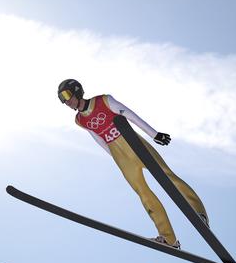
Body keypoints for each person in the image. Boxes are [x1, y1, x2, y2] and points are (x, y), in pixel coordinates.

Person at [58, 79, 209, 249]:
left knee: (167, 176)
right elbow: (99, 139)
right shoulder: (79, 120)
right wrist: (115, 157)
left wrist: (154, 134)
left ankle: (199, 213)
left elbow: (129, 115)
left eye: (66, 96)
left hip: (134, 144)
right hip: (120, 155)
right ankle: (169, 239)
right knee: (142, 192)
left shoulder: (103, 101)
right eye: (62, 99)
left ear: (77, 91)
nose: (66, 102)